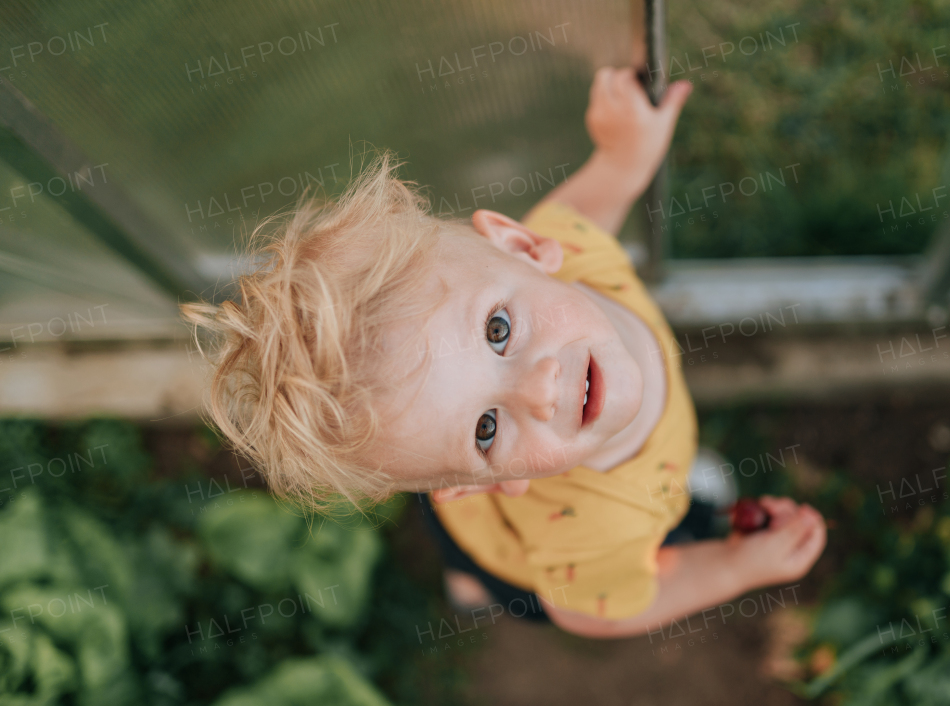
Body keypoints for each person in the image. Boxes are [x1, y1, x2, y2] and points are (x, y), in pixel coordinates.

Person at [181, 67, 826, 639]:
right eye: (486, 428)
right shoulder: (598, 533)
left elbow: (584, 209)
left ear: (524, 246)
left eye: (498, 331)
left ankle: (466, 576)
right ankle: (484, 585)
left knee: (461, 543)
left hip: (469, 511)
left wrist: (624, 157)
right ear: (482, 481)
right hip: (537, 567)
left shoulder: (570, 252)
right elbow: (596, 610)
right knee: (494, 571)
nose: (539, 391)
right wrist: (735, 566)